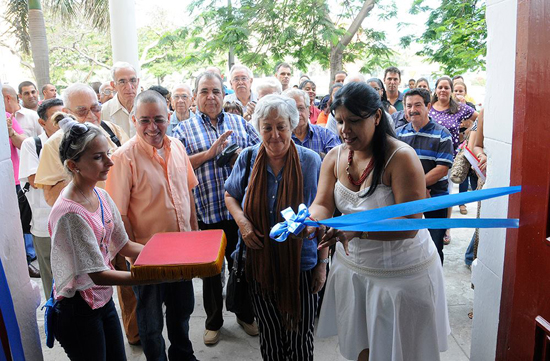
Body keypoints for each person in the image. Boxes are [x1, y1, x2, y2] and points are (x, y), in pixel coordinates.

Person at [313, 82, 450, 361]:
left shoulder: (401, 157)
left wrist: (354, 232)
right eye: (339, 121)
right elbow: (322, 204)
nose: (344, 130)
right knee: (362, 349)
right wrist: (309, 222)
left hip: (400, 278)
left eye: (353, 121)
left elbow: (410, 225)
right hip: (354, 273)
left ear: (376, 117)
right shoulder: (334, 156)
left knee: (400, 351)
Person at [224, 94, 326, 360]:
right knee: (269, 333)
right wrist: (243, 223)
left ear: (293, 125)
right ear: (258, 128)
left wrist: (322, 264)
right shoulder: (247, 159)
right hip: (260, 263)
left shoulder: (311, 161)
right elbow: (230, 195)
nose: (274, 134)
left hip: (300, 263)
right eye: (267, 127)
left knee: (301, 334)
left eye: (281, 126)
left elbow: (323, 210)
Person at [105, 90, 200, 360]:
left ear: (169, 118)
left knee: (182, 312)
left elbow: (188, 194)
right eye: (144, 120)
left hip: (182, 255)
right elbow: (119, 216)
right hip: (146, 259)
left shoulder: (178, 147)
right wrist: (135, 256)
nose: (152, 127)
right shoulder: (123, 158)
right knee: (150, 324)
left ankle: (183, 355)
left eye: (158, 119)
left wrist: (195, 240)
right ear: (134, 120)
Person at [48, 118, 147, 361]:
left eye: (107, 154)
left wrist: (161, 255)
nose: (110, 162)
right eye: (98, 157)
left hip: (101, 300)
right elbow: (98, 274)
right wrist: (148, 277)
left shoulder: (100, 195)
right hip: (78, 308)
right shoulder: (71, 213)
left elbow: (124, 246)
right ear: (74, 165)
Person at [173, 72, 260, 346]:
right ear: (195, 97)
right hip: (206, 214)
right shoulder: (183, 129)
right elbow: (176, 167)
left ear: (225, 95)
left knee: (243, 267)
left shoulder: (240, 123)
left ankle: (245, 315)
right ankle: (213, 322)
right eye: (204, 91)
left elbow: (262, 153)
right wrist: (209, 155)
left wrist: (242, 158)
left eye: (216, 91)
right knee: (211, 275)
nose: (211, 96)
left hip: (239, 214)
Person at [396, 88, 454, 263]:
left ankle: (436, 289)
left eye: (418, 105)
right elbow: (396, 168)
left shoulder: (443, 134)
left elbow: (442, 169)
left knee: (434, 247)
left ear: (428, 106)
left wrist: (419, 189)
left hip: (435, 198)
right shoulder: (399, 135)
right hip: (407, 200)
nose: (412, 109)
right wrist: (416, 192)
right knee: (405, 246)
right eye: (408, 106)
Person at [18, 99, 63, 297]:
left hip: (75, 220)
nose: (62, 122)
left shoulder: (75, 142)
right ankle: (58, 322)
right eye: (56, 118)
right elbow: (36, 179)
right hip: (45, 225)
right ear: (42, 122)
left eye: (64, 116)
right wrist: (72, 174)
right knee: (52, 279)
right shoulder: (32, 145)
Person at [284, 89, 341, 158]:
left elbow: (338, 162)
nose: (297, 114)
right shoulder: (281, 138)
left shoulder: (326, 136)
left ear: (309, 109)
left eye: (300, 108)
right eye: (292, 109)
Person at [453, 80, 478, 215]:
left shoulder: (469, 107)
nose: (458, 93)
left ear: (465, 93)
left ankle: (464, 201)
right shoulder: (449, 107)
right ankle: (457, 202)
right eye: (455, 90)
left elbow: (476, 123)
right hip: (454, 143)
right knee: (456, 173)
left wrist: (467, 130)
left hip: (467, 143)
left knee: (466, 171)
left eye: (460, 91)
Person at [101, 61, 140, 137]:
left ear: (138, 82)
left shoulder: (147, 109)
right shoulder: (103, 112)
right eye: (122, 82)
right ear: (113, 85)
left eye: (133, 81)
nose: (129, 87)